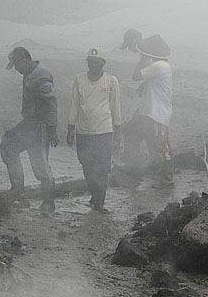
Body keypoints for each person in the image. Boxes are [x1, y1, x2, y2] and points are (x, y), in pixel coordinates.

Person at [0, 46, 60, 211]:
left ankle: (48, 202)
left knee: (39, 161)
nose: (17, 70)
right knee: (8, 145)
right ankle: (19, 193)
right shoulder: (27, 72)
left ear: (24, 61)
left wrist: (52, 129)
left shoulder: (42, 76)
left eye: (17, 66)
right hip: (28, 122)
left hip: (40, 125)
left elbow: (51, 103)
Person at [67, 47, 122, 213]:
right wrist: (70, 128)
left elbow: (115, 107)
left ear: (102, 64)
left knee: (103, 168)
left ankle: (100, 203)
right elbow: (75, 104)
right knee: (87, 166)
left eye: (96, 62)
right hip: (83, 132)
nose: (92, 65)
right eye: (90, 62)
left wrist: (118, 132)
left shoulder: (112, 81)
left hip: (104, 132)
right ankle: (94, 195)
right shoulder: (79, 79)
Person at [123, 33, 174, 186]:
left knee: (161, 145)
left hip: (157, 113)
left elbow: (136, 75)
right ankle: (134, 167)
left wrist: (142, 57)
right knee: (132, 133)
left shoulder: (160, 66)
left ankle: (166, 177)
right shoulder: (158, 66)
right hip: (147, 111)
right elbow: (144, 87)